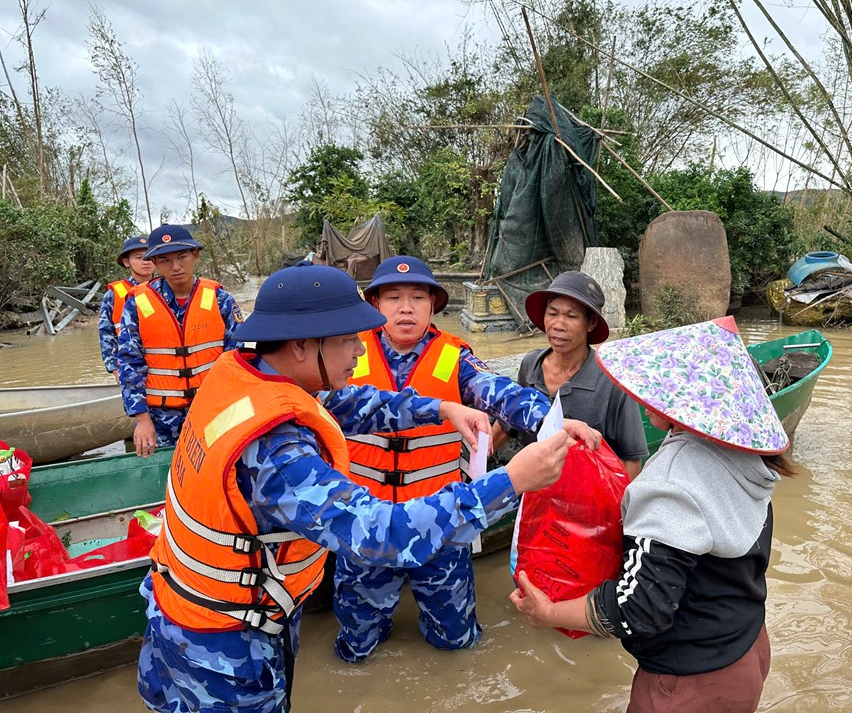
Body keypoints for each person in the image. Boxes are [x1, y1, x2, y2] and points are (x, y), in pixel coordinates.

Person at [137, 262, 574, 713]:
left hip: (175, 612)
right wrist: (512, 480)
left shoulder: (241, 375)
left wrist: (442, 407)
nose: (359, 353)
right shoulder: (276, 450)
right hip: (224, 650)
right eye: (348, 341)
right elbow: (381, 534)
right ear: (304, 345)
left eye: (417, 297)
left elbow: (349, 404)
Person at [510, 316, 796, 713]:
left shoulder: (670, 482)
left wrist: (549, 613)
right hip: (747, 646)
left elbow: (640, 609)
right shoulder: (746, 455)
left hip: (690, 682)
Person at [332, 255, 600, 663]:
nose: (406, 307)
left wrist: (551, 420)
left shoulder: (454, 357)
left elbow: (501, 393)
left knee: (457, 641)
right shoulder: (345, 353)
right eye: (393, 297)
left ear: (434, 305)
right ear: (374, 305)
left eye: (418, 297)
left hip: (443, 521)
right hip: (365, 525)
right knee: (358, 646)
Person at [495, 270, 648, 479]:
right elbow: (508, 424)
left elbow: (631, 460)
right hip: (532, 493)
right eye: (552, 313)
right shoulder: (531, 366)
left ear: (591, 323)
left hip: (587, 499)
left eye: (571, 316)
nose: (558, 325)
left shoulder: (612, 381)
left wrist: (618, 510)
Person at [117, 224, 242, 457]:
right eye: (165, 260)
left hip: (213, 410)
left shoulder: (219, 299)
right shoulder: (137, 303)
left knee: (217, 469)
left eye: (182, 257)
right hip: (161, 418)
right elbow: (129, 362)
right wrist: (142, 419)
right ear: (154, 263)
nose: (176, 267)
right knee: (167, 473)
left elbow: (240, 358)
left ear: (195, 255)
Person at [98, 234, 155, 383]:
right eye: (139, 257)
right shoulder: (115, 293)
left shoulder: (166, 289)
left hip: (161, 364)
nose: (146, 262)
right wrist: (114, 368)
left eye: (149, 257)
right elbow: (106, 333)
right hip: (129, 366)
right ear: (126, 262)